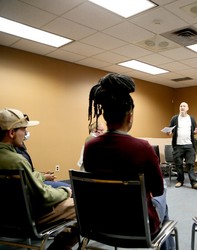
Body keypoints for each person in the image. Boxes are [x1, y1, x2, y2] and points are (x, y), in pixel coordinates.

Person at [83, 73, 175, 250]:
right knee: (164, 194)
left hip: (102, 222)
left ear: (106, 116)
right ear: (130, 116)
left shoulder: (90, 146)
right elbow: (156, 189)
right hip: (140, 225)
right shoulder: (143, 147)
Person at [0, 108, 79, 250]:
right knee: (80, 207)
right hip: (25, 222)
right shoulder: (17, 161)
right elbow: (44, 197)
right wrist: (65, 191)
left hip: (4, 220)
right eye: (23, 130)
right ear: (12, 133)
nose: (25, 134)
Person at [167, 102, 197, 189]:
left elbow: (194, 131)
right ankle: (180, 181)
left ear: (187, 108)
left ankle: (194, 183)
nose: (182, 107)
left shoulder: (191, 118)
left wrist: (196, 131)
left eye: (184, 106)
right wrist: (168, 132)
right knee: (178, 165)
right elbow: (170, 130)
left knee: (190, 164)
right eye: (181, 106)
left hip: (189, 145)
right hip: (178, 146)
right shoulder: (174, 118)